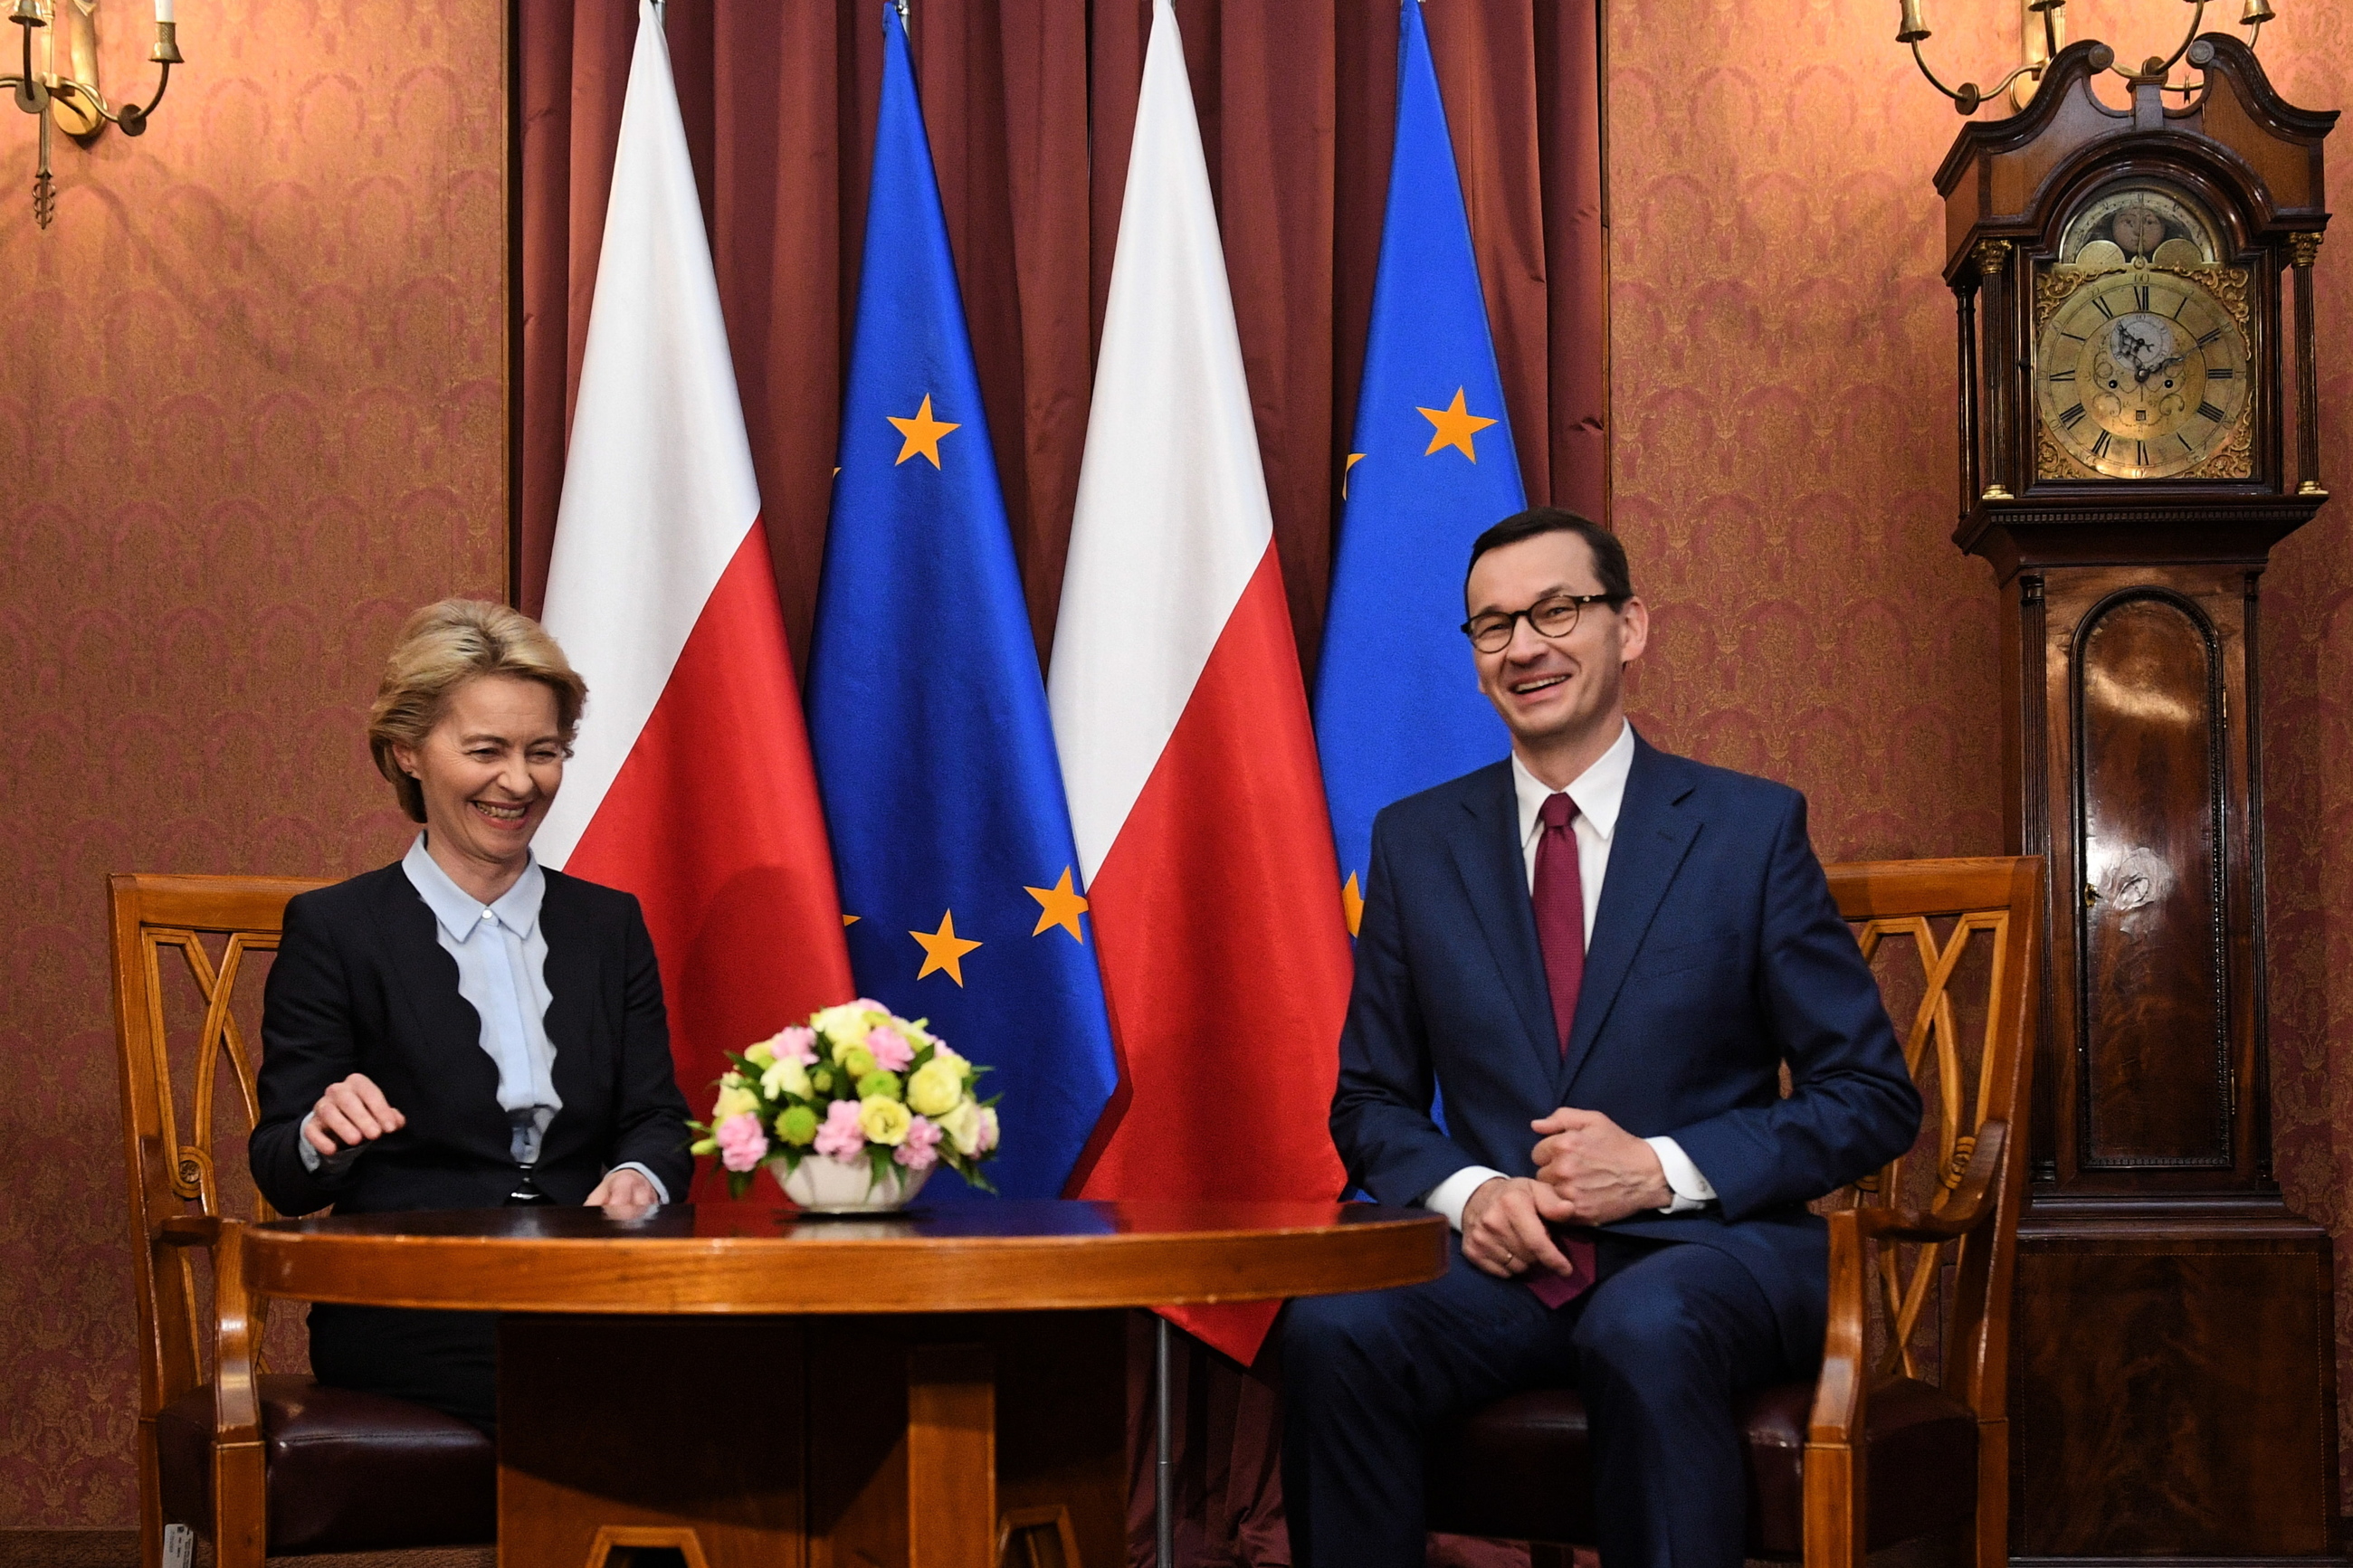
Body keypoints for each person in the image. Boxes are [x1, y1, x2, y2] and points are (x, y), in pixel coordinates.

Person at [1281, 508, 1922, 1568]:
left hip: (1716, 1253)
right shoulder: (1414, 840)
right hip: (1511, 1266)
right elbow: (1371, 1102)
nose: (1524, 645)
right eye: (1493, 626)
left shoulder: (1748, 829)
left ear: (1628, 627)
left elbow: (1869, 1093)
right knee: (1332, 1327)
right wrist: (1469, 1192)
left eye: (1556, 610)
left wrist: (1660, 1170)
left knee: (1643, 1322)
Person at [250, 598, 692, 1435]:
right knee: (620, 1404)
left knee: (754, 1375)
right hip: (416, 1309)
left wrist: (645, 1175)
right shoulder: (337, 929)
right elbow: (279, 1165)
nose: (520, 782)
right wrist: (322, 1127)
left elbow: (655, 1118)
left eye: (544, 751)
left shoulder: (610, 926)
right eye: (485, 750)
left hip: (588, 1292)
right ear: (407, 751)